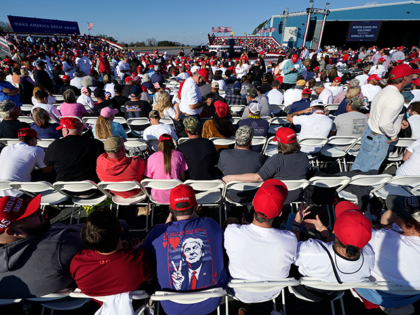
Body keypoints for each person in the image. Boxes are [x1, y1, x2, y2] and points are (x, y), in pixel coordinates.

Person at [143, 185, 228, 315]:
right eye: (187, 249)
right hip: (210, 302)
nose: (192, 252)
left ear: (171, 209)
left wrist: (166, 228)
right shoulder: (211, 224)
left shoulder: (158, 233)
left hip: (172, 307)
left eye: (195, 248)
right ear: (196, 206)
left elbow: (146, 254)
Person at [225, 179, 297, 303]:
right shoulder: (290, 239)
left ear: (253, 203)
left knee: (231, 220)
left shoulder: (231, 232)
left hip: (238, 292)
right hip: (272, 293)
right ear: (280, 213)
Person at [0, 194, 85, 298]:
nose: (40, 210)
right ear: (13, 231)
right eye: (31, 214)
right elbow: (100, 234)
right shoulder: (59, 245)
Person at [355, 195, 420, 314]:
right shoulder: (405, 232)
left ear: (410, 226)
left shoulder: (380, 239)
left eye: (398, 214)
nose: (395, 214)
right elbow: (386, 222)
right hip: (412, 295)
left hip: (376, 293)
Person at [70, 208, 155, 296]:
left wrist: (129, 252)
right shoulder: (143, 259)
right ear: (121, 229)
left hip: (102, 305)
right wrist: (134, 253)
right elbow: (149, 283)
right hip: (133, 303)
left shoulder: (78, 262)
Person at [293, 202, 374, 286]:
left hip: (306, 290)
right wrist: (323, 230)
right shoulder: (369, 255)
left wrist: (296, 222)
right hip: (334, 293)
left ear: (334, 231)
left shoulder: (310, 251)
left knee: (291, 217)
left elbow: (290, 250)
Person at [352, 64, 413, 172]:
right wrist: (393, 135)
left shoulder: (383, 91)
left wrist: (398, 122)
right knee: (367, 174)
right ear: (404, 78)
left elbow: (379, 113)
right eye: (410, 76)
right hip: (379, 137)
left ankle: (349, 187)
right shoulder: (397, 97)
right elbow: (384, 123)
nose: (412, 78)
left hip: (370, 132)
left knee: (358, 167)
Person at [223, 128, 309, 202]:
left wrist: (231, 178)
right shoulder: (304, 157)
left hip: (276, 197)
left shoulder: (277, 159)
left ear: (281, 144)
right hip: (296, 196)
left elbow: (258, 177)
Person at [44, 117, 105, 183]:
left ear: (66, 131)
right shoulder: (96, 144)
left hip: (64, 188)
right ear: (81, 129)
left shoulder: (55, 145)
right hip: (91, 188)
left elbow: (47, 164)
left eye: (62, 129)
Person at [0, 128, 52, 196]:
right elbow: (47, 170)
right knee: (53, 171)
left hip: (2, 188)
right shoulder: (36, 150)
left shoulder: (6, 148)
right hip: (20, 191)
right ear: (33, 139)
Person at [144, 134, 188, 204]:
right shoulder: (179, 155)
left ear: (159, 144)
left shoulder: (151, 157)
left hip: (157, 196)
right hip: (176, 196)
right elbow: (183, 177)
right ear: (171, 143)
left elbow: (150, 179)